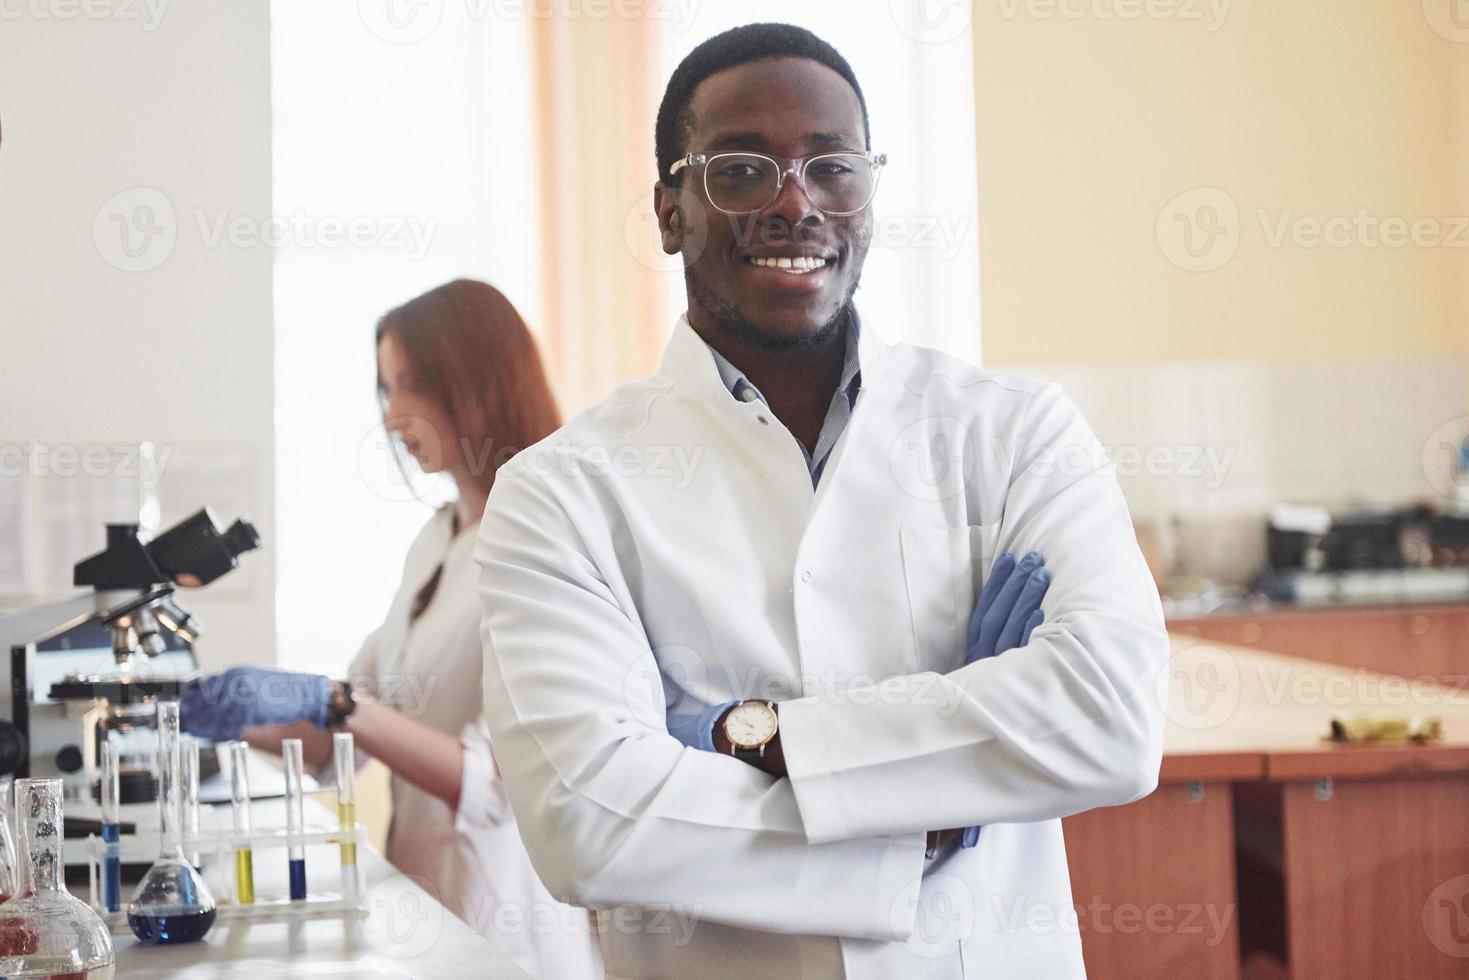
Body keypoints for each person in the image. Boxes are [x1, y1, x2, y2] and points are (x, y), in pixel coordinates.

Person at [473, 23, 1168, 980]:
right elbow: (589, 819)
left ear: (869, 197)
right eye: (741, 170)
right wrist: (928, 808)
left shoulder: (1012, 433)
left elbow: (1111, 720)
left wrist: (746, 736)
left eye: (832, 166)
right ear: (669, 211)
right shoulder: (559, 494)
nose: (795, 202)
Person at [180, 279, 602, 978]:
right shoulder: (437, 539)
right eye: (386, 390)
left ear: (477, 380)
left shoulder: (547, 538)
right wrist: (213, 712)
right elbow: (334, 738)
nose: (393, 415)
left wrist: (336, 703)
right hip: (423, 916)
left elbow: (499, 784)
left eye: (411, 386)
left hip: (511, 931)